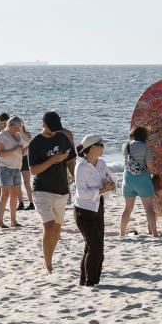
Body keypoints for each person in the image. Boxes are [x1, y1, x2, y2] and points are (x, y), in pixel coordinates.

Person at [28, 111, 77, 273]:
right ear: (43, 124)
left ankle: (49, 258)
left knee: (56, 229)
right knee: (49, 226)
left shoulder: (62, 137)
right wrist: (53, 160)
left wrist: (77, 179)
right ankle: (47, 264)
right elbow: (33, 170)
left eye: (57, 128)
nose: (55, 131)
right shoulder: (35, 143)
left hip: (62, 189)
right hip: (42, 189)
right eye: (52, 128)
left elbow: (71, 160)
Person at [73, 134, 115, 287]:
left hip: (98, 207)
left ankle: (89, 282)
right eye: (101, 145)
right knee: (95, 247)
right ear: (92, 148)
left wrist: (111, 185)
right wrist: (103, 190)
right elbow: (82, 193)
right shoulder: (81, 167)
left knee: (95, 246)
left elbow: (112, 181)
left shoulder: (102, 163)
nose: (103, 148)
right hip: (83, 211)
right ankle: (89, 283)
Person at [120, 126, 159, 237]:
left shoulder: (125, 146)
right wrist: (152, 173)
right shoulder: (146, 148)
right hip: (142, 180)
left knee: (127, 208)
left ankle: (121, 233)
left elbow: (127, 162)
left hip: (128, 180)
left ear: (133, 135)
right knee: (149, 208)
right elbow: (150, 167)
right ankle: (155, 233)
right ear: (144, 137)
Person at [0, 116, 27, 229]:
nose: (17, 130)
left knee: (14, 195)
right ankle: (0, 222)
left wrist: (24, 150)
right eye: (15, 128)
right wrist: (14, 150)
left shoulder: (18, 135)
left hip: (16, 167)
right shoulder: (1, 136)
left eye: (19, 128)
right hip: (4, 167)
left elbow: (23, 152)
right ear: (9, 125)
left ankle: (13, 221)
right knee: (5, 195)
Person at [18, 121, 35, 211]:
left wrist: (21, 132)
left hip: (25, 159)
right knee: (17, 183)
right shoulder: (12, 134)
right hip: (16, 158)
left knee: (27, 183)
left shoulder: (27, 133)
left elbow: (30, 143)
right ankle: (21, 203)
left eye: (20, 124)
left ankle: (31, 203)